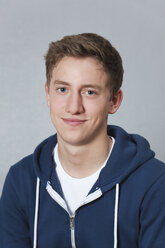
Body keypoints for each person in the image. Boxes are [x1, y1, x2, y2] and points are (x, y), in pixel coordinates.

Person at [0, 33, 165, 248]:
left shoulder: (155, 183)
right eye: (62, 89)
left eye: (89, 92)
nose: (74, 107)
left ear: (114, 101)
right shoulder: (21, 181)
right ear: (48, 94)